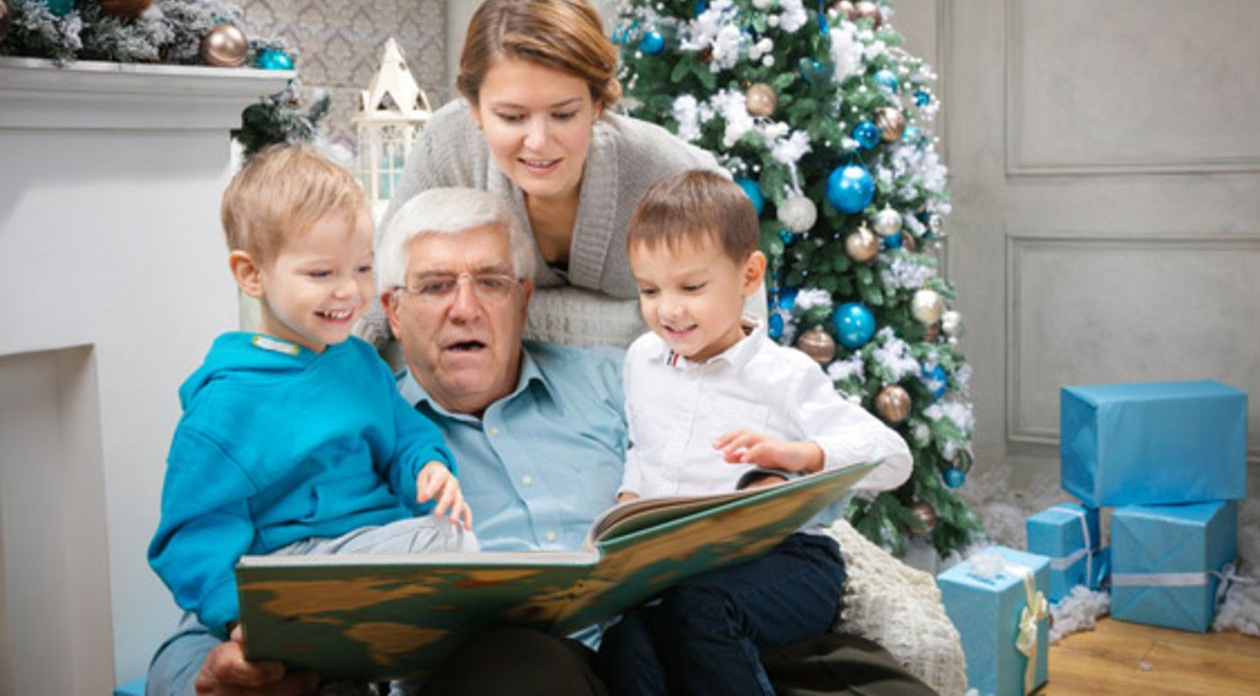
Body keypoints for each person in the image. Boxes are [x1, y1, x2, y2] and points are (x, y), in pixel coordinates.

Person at [147, 188, 936, 696]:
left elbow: (754, 431)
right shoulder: (356, 432)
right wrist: (203, 674)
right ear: (387, 303)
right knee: (510, 668)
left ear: (524, 297)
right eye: (433, 286)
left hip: (695, 629)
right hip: (544, 675)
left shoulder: (621, 376)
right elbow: (242, 579)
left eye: (490, 281)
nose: (464, 308)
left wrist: (772, 485)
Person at [145, 147, 474, 695]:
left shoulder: (360, 362)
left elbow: (405, 437)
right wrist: (238, 616)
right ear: (251, 274)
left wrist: (428, 467)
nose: (349, 290)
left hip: (376, 545)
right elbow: (190, 532)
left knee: (451, 542)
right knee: (446, 549)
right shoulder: (227, 404)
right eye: (321, 273)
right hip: (291, 573)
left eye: (363, 267)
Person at [597, 170, 914, 695]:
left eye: (692, 287)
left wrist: (800, 455)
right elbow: (643, 446)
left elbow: (892, 456)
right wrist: (630, 500)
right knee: (627, 641)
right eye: (649, 290)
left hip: (787, 562)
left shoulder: (784, 374)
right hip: (681, 568)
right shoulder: (642, 360)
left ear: (748, 276)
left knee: (701, 608)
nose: (668, 309)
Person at [357, 0, 767, 351]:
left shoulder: (669, 171)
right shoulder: (447, 143)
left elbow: (741, 317)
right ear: (475, 109)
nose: (538, 141)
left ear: (598, 104)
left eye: (564, 114)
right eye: (512, 116)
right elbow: (380, 287)